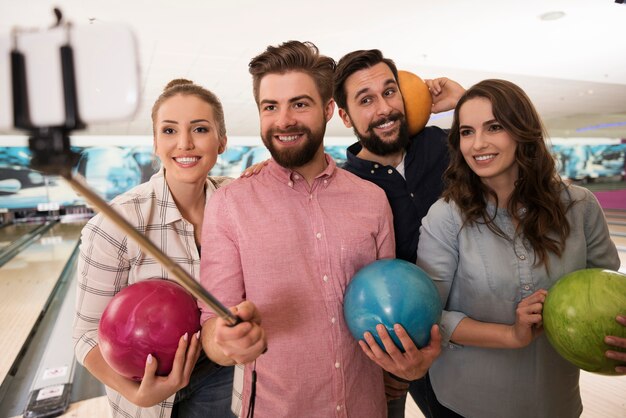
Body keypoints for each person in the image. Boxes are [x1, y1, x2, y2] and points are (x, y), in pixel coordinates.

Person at [199, 40, 441, 418]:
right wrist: (226, 342)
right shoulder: (230, 205)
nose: (284, 120)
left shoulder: (372, 199)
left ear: (328, 109)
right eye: (270, 107)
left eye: (299, 104)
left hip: (368, 407)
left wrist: (409, 365)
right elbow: (212, 327)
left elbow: (392, 307)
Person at [416, 79, 620, 417]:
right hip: (466, 403)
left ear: (521, 131)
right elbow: (429, 315)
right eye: (467, 131)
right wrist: (511, 334)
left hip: (557, 402)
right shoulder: (446, 217)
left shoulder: (580, 206)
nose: (477, 143)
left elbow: (606, 292)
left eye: (494, 127)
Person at [72, 79, 235, 418]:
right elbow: (85, 334)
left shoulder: (238, 202)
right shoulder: (115, 224)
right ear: (155, 144)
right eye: (170, 130)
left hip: (222, 373)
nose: (185, 143)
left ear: (222, 142)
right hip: (146, 391)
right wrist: (137, 394)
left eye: (200, 129)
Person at [332, 49, 464, 418]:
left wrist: (464, 100)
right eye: (366, 100)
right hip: (404, 345)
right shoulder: (344, 187)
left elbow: (517, 151)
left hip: (481, 326)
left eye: (390, 92)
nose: (384, 108)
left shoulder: (444, 146)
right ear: (345, 116)